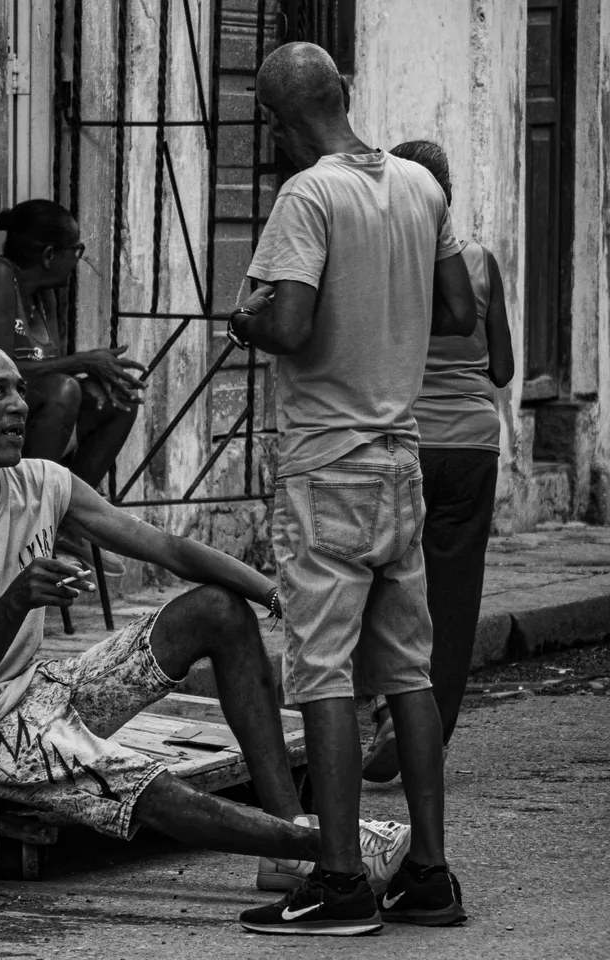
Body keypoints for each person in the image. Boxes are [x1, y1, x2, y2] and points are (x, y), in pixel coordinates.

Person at [0, 333, 411, 921]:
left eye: (20, 389)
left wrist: (276, 596)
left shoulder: (41, 482)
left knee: (220, 610)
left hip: (37, 691)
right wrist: (19, 598)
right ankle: (329, 849)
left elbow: (165, 547)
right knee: (139, 781)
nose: (20, 405)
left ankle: (289, 838)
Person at [227, 43, 477, 935]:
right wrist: (385, 319)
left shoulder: (309, 195)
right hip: (401, 459)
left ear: (281, 119)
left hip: (327, 463)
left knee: (323, 674)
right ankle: (429, 875)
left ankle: (339, 883)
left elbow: (290, 324)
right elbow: (461, 311)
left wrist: (245, 321)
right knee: (408, 672)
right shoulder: (420, 187)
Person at [361, 140, 515, 782]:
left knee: (383, 583)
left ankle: (383, 713)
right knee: (453, 599)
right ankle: (427, 732)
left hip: (405, 440)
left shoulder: (383, 262)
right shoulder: (480, 262)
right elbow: (502, 370)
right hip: (474, 447)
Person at [0, 200, 145, 573]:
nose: (78, 261)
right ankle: (33, 518)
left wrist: (93, 374)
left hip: (24, 422)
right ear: (49, 255)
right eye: (76, 251)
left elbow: (44, 371)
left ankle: (64, 518)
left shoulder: (45, 294)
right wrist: (81, 363)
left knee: (118, 399)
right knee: (66, 389)